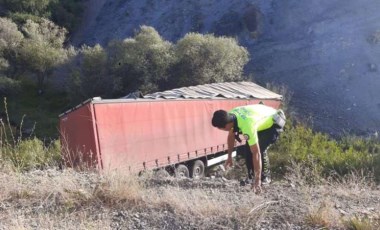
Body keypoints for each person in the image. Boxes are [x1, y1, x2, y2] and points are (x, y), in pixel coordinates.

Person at [211, 104, 286, 194]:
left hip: (273, 122)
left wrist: (257, 180)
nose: (220, 130)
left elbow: (256, 153)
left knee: (259, 150)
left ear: (226, 125)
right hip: (260, 121)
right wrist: (229, 156)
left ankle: (264, 179)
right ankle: (251, 178)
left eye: (220, 128)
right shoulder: (231, 115)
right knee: (248, 150)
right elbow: (231, 136)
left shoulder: (247, 126)